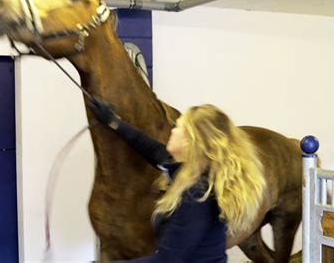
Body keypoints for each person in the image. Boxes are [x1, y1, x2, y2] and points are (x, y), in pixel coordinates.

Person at [88, 97, 267, 263]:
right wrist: (113, 121)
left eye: (178, 127)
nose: (172, 130)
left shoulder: (197, 194)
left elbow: (167, 260)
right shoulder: (189, 172)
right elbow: (151, 149)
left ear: (191, 141)